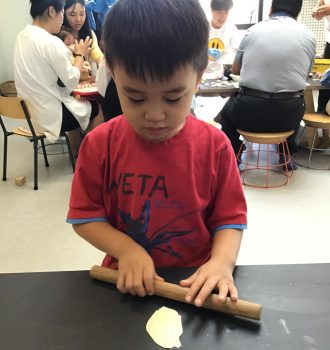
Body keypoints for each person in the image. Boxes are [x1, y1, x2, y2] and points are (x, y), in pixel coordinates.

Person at [67, 0, 247, 308]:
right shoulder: (99, 145)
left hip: (196, 281)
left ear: (199, 77)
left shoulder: (215, 146)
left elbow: (230, 218)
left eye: (173, 97)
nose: (154, 115)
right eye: (135, 97)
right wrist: (127, 250)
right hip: (126, 279)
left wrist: (221, 262)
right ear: (112, 74)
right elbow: (85, 217)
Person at [215, 0, 316, 170]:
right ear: (298, 13)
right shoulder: (309, 36)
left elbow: (236, 70)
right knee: (297, 104)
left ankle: (236, 153)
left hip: (250, 111)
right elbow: (305, 74)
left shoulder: (252, 31)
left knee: (225, 116)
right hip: (288, 115)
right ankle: (286, 154)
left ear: (270, 9)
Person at [14, 0, 104, 155]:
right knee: (96, 108)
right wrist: (80, 54)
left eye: (82, 14)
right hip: (50, 116)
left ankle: (76, 151)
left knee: (77, 105)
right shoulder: (50, 41)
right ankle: (90, 157)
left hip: (31, 113)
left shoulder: (22, 36)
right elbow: (71, 80)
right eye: (63, 13)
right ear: (51, 11)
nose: (63, 19)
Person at [203, 0, 239, 80]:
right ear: (212, 11)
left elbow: (237, 51)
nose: (223, 16)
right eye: (219, 12)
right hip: (202, 76)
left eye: (226, 12)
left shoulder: (231, 28)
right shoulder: (202, 27)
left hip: (221, 76)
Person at [63, 0, 104, 69]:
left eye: (82, 14)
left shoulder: (90, 34)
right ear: (63, 14)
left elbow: (96, 53)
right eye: (73, 15)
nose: (78, 19)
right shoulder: (59, 37)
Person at [312, 1, 330, 148]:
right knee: (324, 88)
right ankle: (325, 135)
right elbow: (321, 4)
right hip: (329, 40)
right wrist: (317, 11)